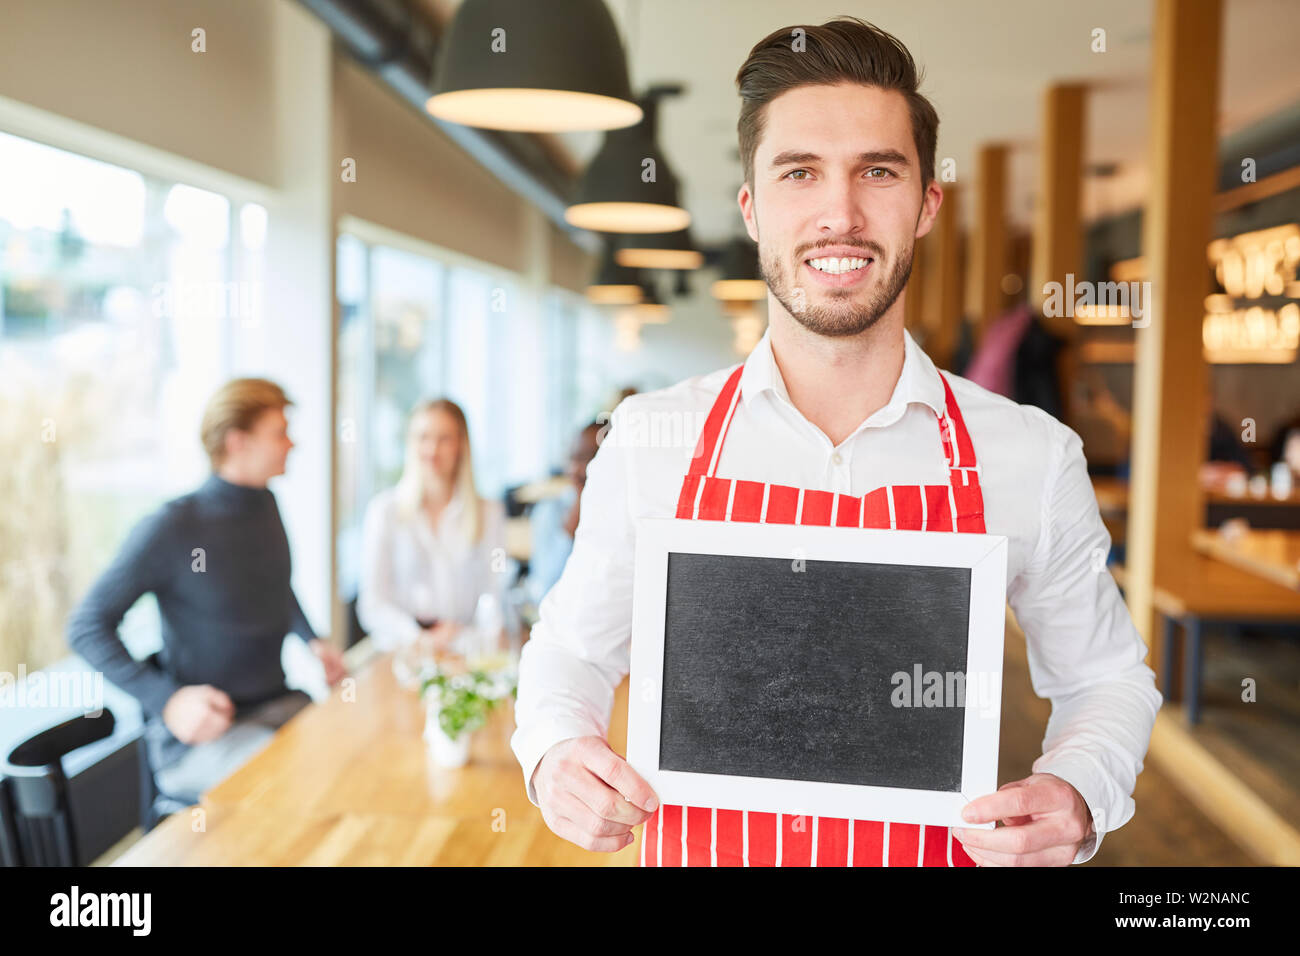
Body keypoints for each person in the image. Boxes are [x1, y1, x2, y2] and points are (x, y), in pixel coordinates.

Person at [513, 17, 1162, 867]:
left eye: (878, 171)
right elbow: (569, 650)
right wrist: (555, 754)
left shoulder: (1032, 455)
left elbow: (1105, 679)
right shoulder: (649, 441)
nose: (840, 213)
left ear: (928, 203)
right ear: (752, 207)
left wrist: (1079, 788)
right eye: (800, 173)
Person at [67, 378, 348, 804]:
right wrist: (169, 700)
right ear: (237, 442)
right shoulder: (173, 527)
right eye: (280, 433)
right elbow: (87, 627)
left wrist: (312, 639)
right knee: (302, 789)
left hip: (277, 705)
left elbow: (272, 584)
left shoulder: (264, 504)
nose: (292, 444)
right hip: (205, 739)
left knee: (354, 754)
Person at [357, 398, 508, 655]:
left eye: (444, 439)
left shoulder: (489, 513)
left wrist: (468, 638)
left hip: (466, 651)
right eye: (423, 437)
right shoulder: (385, 511)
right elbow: (372, 605)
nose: (432, 450)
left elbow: (495, 597)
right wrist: (417, 636)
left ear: (461, 445)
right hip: (402, 652)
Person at [526, 421, 603, 605]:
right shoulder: (549, 511)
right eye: (574, 458)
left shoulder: (624, 515)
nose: (578, 468)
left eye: (590, 457)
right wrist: (577, 510)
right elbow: (546, 587)